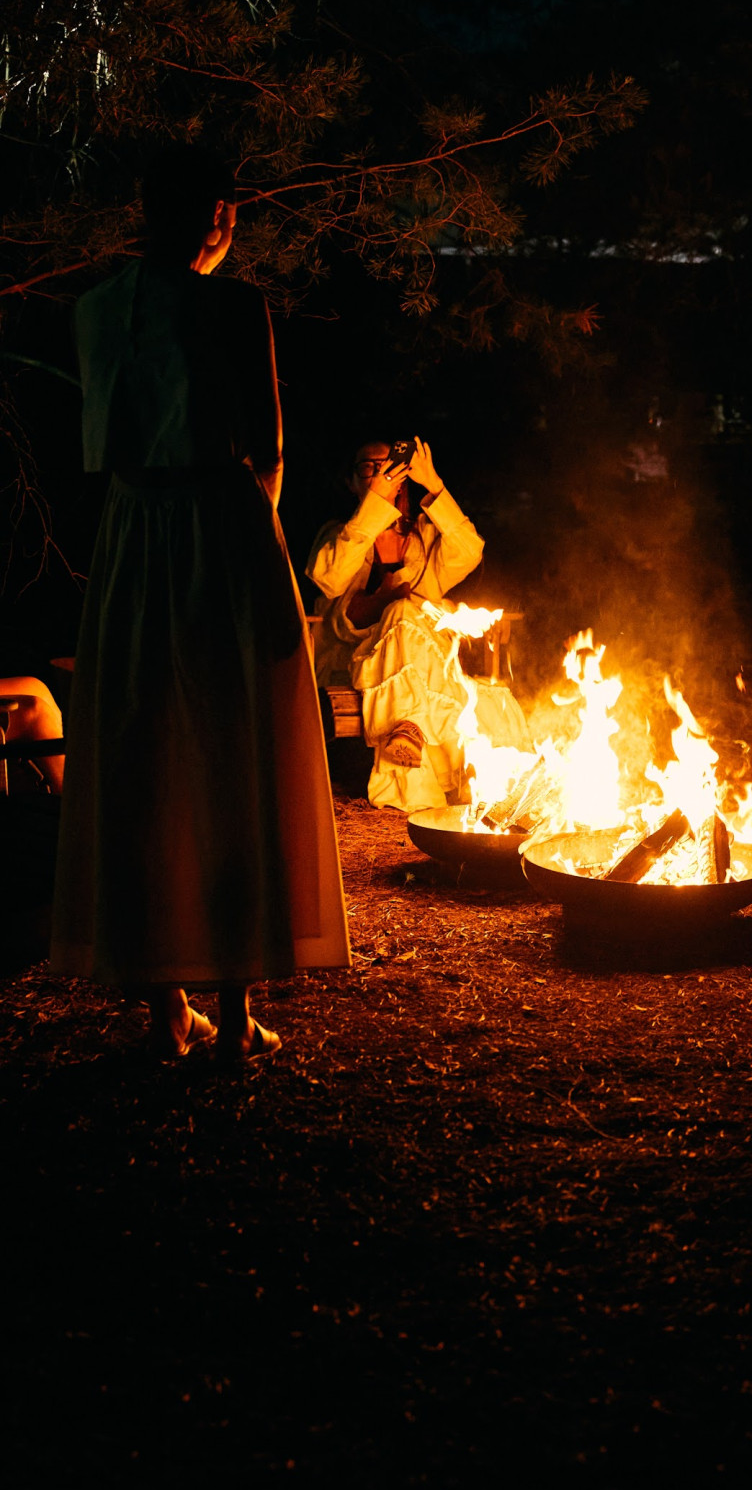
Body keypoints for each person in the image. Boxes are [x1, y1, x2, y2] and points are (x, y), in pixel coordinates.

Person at [50, 145, 350, 1059]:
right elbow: (267, 447)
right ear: (212, 217)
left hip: (132, 536)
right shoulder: (233, 305)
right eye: (224, 212)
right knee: (231, 752)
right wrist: (258, 558)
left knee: (146, 758)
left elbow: (102, 443)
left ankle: (167, 1008)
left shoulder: (96, 309)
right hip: (218, 528)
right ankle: (230, 1004)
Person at [307, 439, 527, 812]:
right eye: (368, 467)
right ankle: (424, 749)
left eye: (389, 466)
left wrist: (434, 485)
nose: (381, 473)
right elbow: (327, 578)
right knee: (402, 611)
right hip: (359, 663)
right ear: (351, 482)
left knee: (407, 613)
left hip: (425, 666)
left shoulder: (423, 537)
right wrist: (376, 505)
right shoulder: (339, 535)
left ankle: (410, 730)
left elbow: (469, 550)